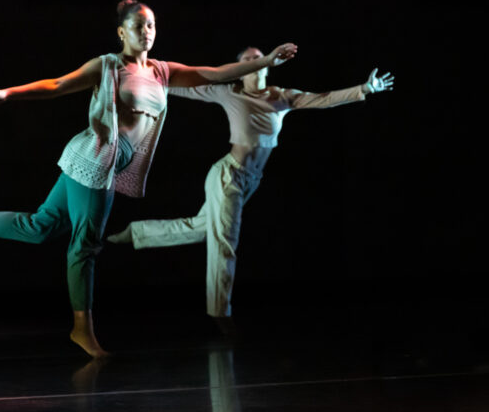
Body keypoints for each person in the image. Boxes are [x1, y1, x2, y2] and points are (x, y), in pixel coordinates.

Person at [0, 0, 297, 357]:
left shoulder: (163, 71)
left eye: (151, 25)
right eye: (138, 25)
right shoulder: (107, 65)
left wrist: (267, 60)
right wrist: (8, 94)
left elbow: (216, 73)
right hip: (95, 163)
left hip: (98, 163)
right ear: (121, 32)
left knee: (39, 226)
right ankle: (82, 328)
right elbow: (56, 85)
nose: (147, 31)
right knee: (85, 246)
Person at [107, 47, 394, 334]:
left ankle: (134, 233)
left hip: (250, 181)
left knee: (200, 229)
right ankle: (221, 314)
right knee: (224, 242)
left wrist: (365, 88)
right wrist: (135, 79)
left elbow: (323, 100)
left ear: (267, 67)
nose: (254, 62)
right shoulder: (229, 93)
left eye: (259, 58)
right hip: (227, 176)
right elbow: (186, 87)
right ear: (239, 68)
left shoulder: (280, 96)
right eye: (247, 60)